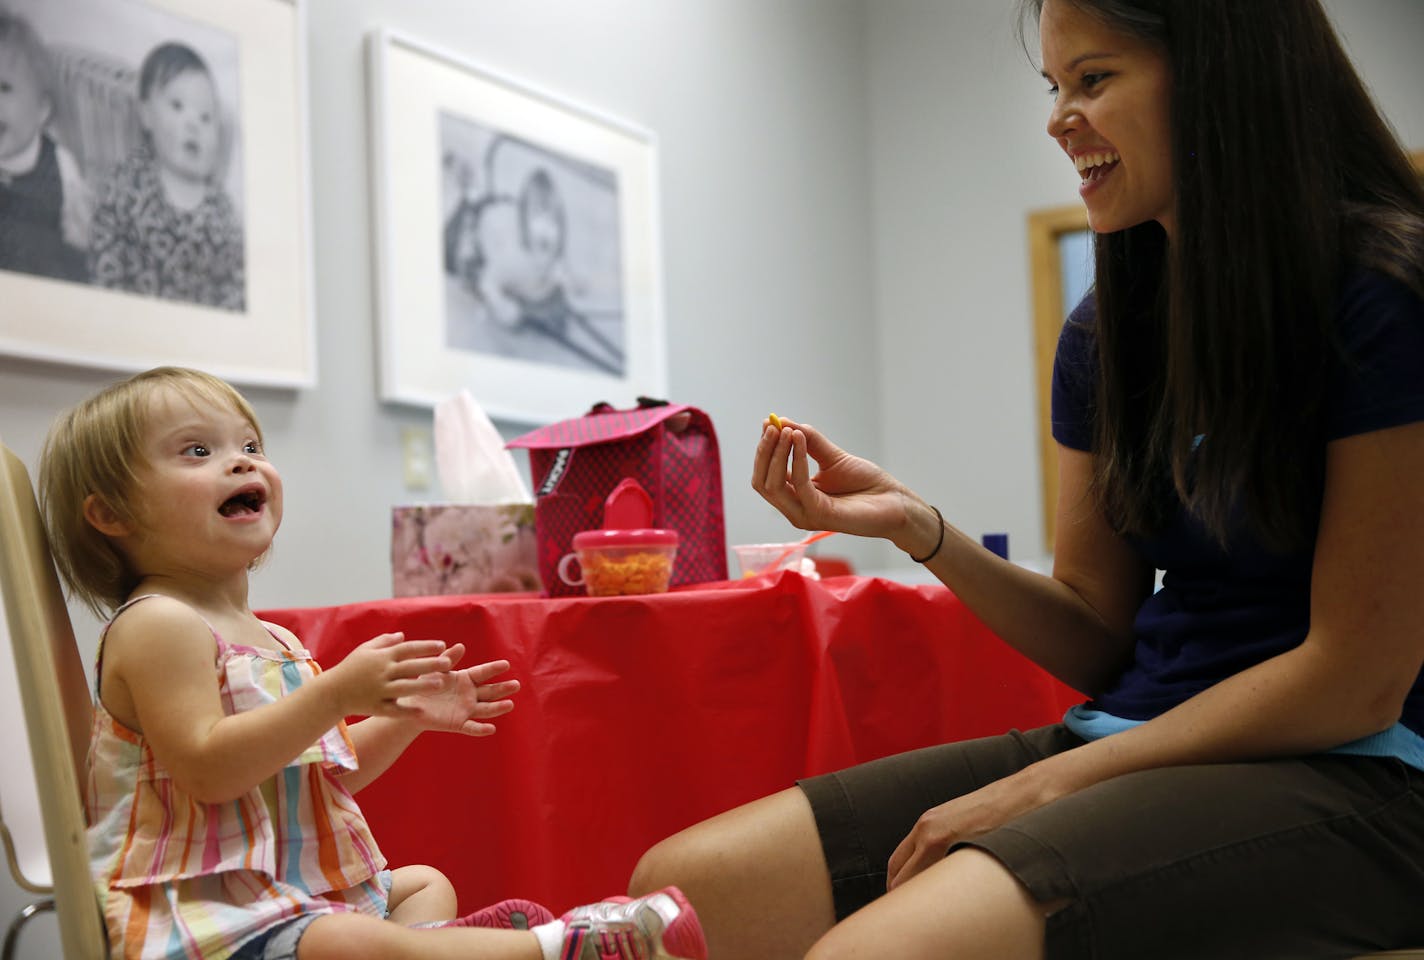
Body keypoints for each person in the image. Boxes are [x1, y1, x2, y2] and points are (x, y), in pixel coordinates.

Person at [627, 1, 1424, 957]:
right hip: (1135, 737)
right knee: (684, 897)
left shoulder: (1380, 291)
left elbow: (1357, 681)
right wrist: (920, 529)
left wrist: (1050, 783)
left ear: (1220, 77)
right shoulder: (1105, 332)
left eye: (1094, 80)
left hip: (1366, 772)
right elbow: (1098, 634)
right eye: (1055, 87)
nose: (1058, 118)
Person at [38, 366, 707, 960]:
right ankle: (561, 947)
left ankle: (438, 952)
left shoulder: (269, 638)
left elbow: (315, 782)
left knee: (422, 886)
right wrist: (333, 696)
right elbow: (212, 771)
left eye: (249, 447)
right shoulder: (159, 625)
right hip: (205, 916)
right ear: (111, 514)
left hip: (283, 896)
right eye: (197, 451)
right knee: (350, 940)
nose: (242, 465)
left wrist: (406, 720)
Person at [88, 42, 245, 310]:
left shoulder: (221, 209)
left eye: (206, 117)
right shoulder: (129, 181)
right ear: (147, 115)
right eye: (177, 106)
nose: (193, 124)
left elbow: (234, 282)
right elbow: (104, 249)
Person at [0, 8, 92, 283]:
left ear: (41, 110)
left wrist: (80, 236)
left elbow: (81, 233)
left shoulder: (62, 165)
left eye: (4, 88)